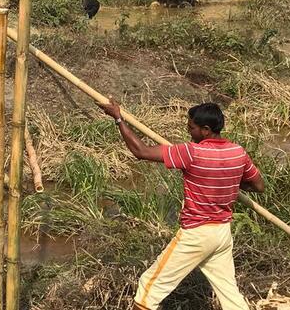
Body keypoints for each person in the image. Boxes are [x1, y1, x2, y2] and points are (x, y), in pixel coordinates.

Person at [96, 100, 264, 310]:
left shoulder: (191, 153)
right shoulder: (238, 152)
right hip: (222, 235)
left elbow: (140, 151)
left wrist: (118, 118)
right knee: (231, 297)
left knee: (147, 291)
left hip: (197, 235)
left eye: (191, 128)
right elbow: (258, 186)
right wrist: (227, 181)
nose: (189, 132)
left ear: (206, 130)